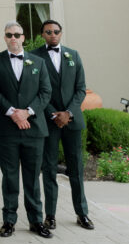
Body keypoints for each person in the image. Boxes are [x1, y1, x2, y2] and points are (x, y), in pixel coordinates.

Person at [33, 20, 94, 230]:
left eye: (56, 32)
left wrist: (68, 113)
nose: (52, 35)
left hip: (72, 120)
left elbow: (80, 89)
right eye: (48, 32)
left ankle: (82, 213)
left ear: (61, 33)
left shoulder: (73, 55)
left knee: (76, 168)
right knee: (49, 168)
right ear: (42, 34)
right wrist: (53, 113)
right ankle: (50, 215)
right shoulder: (34, 57)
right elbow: (37, 90)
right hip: (48, 123)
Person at [0, 21, 52, 238]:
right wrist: (12, 112)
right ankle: (9, 220)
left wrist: (27, 112)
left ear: (24, 37)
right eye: (9, 35)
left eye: (17, 34)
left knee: (32, 177)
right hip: (6, 130)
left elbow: (46, 92)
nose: (13, 38)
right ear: (5, 37)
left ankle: (36, 220)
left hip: (34, 129)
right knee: (9, 177)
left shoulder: (38, 62)